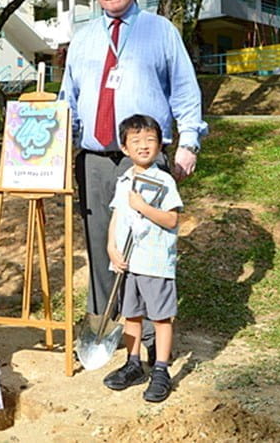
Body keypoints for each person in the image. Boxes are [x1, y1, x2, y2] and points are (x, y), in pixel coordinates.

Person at [60, 0, 208, 366]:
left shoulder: (160, 31)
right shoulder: (84, 38)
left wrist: (188, 142)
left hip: (144, 158)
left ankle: (146, 338)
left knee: (145, 248)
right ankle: (106, 329)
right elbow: (68, 98)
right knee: (102, 246)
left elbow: (185, 90)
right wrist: (56, 149)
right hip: (93, 158)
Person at [102, 115, 182, 403]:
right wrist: (111, 246)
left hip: (155, 261)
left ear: (160, 145)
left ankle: (160, 369)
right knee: (131, 314)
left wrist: (144, 207)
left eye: (150, 140)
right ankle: (133, 363)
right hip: (127, 263)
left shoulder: (164, 180)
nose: (144, 146)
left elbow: (172, 218)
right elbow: (117, 215)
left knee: (160, 316)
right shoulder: (124, 180)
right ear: (124, 148)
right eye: (136, 141)